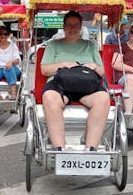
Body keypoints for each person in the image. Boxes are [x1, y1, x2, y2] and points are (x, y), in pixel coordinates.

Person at [41, 10, 109, 151]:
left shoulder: (90, 45)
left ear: (80, 27)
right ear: (64, 27)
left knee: (103, 98)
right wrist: (62, 64)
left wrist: (94, 66)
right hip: (60, 86)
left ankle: (91, 148)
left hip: (87, 86)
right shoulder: (53, 45)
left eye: (76, 25)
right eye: (69, 25)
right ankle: (59, 147)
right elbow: (45, 70)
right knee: (49, 97)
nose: (73, 29)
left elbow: (102, 73)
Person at [0, 25, 21, 101]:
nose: (3, 36)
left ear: (8, 35)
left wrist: (11, 62)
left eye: (5, 34)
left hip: (12, 68)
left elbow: (17, 60)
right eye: (1, 34)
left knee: (8, 68)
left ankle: (13, 92)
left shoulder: (13, 45)